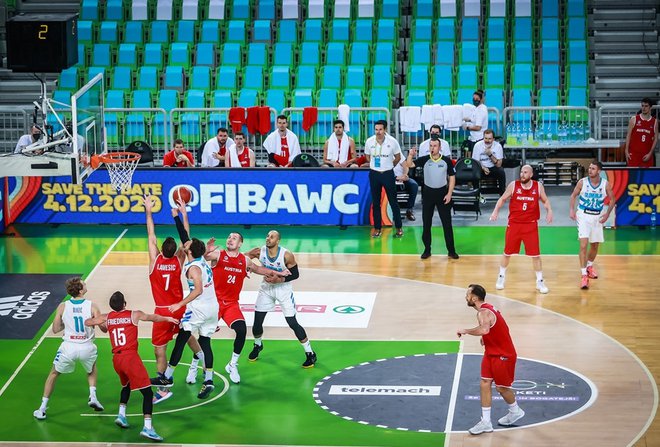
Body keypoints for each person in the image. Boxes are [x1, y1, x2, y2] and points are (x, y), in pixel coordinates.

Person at [85, 291, 178, 442]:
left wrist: (102, 321)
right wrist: (168, 318)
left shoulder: (107, 317)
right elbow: (152, 318)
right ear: (124, 303)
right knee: (148, 394)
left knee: (126, 386)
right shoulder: (133, 314)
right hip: (130, 358)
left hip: (117, 360)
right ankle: (148, 428)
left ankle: (121, 415)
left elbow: (88, 322)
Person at [199, 233, 289, 384]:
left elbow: (260, 269)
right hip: (214, 302)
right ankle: (195, 366)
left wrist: (279, 272)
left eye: (234, 238)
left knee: (241, 330)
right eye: (228, 237)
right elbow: (201, 258)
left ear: (240, 243)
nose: (230, 239)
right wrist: (206, 250)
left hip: (231, 304)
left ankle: (233, 364)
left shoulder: (244, 260)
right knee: (204, 336)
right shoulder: (218, 255)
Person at [151, 205, 219, 399]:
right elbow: (185, 235)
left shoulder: (193, 269)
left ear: (189, 251)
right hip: (213, 307)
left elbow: (197, 290)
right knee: (205, 343)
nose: (184, 244)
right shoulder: (200, 259)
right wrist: (180, 215)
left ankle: (168, 378)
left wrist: (180, 304)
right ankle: (208, 380)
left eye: (186, 245)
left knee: (181, 339)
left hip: (199, 308)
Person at [144, 195, 203, 403]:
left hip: (162, 311)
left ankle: (163, 387)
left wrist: (149, 210)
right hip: (179, 308)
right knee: (186, 336)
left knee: (160, 350)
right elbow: (186, 239)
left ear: (160, 249)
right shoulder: (179, 261)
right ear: (175, 251)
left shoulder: (154, 261)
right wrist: (183, 214)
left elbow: (151, 233)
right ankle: (205, 360)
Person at [457, 284, 525, 435]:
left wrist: (466, 331)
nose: (466, 297)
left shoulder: (483, 312)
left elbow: (485, 329)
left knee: (502, 388)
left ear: (474, 298)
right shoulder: (488, 308)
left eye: (467, 294)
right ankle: (486, 422)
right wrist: (485, 338)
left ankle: (515, 410)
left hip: (503, 355)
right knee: (484, 383)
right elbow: (493, 328)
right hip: (491, 352)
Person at [33, 277, 104, 420]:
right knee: (91, 369)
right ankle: (93, 396)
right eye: (83, 283)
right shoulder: (92, 306)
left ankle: (42, 409)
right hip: (87, 347)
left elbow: (55, 329)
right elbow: (104, 328)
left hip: (68, 347)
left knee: (53, 374)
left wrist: (68, 323)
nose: (85, 284)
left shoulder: (62, 306)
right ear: (80, 290)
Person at [246, 230, 317, 368]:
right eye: (267, 236)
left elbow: (295, 274)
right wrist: (246, 267)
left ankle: (310, 353)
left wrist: (280, 280)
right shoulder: (258, 251)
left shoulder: (286, 255)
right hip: (266, 288)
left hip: (283, 289)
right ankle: (258, 345)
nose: (268, 238)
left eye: (272, 237)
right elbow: (244, 257)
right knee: (257, 323)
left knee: (292, 322)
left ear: (277, 241)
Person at [490, 165, 553, 294]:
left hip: (530, 225)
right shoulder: (514, 185)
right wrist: (495, 211)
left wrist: (549, 210)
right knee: (507, 253)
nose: (522, 174)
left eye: (525, 172)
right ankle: (501, 277)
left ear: (531, 174)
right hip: (514, 224)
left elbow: (545, 200)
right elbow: (502, 199)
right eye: (521, 172)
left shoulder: (538, 186)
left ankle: (540, 281)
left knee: (536, 255)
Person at [408, 137, 458, 259]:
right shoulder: (425, 159)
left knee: (447, 224)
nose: (432, 148)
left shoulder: (446, 161)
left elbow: (452, 177)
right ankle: (427, 250)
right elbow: (409, 164)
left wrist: (449, 194)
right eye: (430, 146)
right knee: (426, 224)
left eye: (435, 146)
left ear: (440, 147)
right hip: (428, 194)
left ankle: (451, 251)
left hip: (443, 194)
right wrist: (410, 155)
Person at [569, 161, 615, 289]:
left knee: (594, 245)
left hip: (597, 217)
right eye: (589, 168)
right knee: (583, 245)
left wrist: (607, 215)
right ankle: (583, 275)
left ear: (599, 171)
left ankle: (589, 266)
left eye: (593, 169)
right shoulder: (582, 182)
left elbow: (612, 200)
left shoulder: (605, 184)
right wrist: (572, 210)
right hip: (583, 215)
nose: (590, 170)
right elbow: (573, 196)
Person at [364, 119, 404, 238]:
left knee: (393, 202)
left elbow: (397, 157)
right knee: (376, 203)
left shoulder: (393, 142)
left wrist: (389, 166)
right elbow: (367, 157)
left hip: (387, 174)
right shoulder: (369, 141)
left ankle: (399, 228)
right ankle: (377, 228)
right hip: (374, 174)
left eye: (380, 129)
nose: (378, 132)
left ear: (385, 130)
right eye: (376, 129)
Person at [471, 129, 506, 195]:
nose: (487, 141)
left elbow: (499, 164)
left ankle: (502, 194)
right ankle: (475, 193)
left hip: (493, 167)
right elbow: (475, 162)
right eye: (485, 138)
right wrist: (483, 168)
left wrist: (490, 155)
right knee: (474, 171)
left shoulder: (498, 146)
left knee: (501, 171)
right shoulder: (477, 145)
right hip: (481, 167)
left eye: (489, 139)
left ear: (493, 139)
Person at [624, 98, 658, 167]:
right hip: (633, 154)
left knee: (647, 176)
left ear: (650, 107)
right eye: (642, 106)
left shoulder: (655, 122)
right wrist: (626, 151)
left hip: (646, 155)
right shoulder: (634, 119)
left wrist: (650, 153)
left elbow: (655, 139)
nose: (644, 108)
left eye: (646, 106)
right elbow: (628, 136)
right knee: (633, 176)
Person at [394, 150, 419, 221]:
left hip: (403, 178)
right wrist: (396, 178)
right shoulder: (384, 156)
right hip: (391, 178)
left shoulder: (398, 154)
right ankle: (394, 212)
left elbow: (405, 166)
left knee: (414, 185)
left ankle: (409, 210)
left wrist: (404, 175)